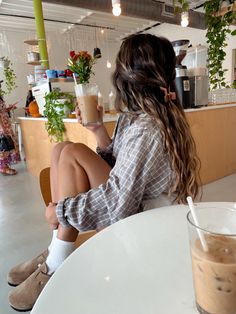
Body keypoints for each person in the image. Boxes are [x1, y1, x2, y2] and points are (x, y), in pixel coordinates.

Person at [8, 34, 200, 311]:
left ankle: (56, 259)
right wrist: (98, 129)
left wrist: (60, 210)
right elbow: (121, 166)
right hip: (133, 202)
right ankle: (56, 248)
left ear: (127, 77)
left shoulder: (148, 128)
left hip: (147, 220)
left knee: (73, 153)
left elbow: (118, 200)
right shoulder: (135, 116)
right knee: (62, 148)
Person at [0, 82, 21, 175]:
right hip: (2, 125)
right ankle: (3, 168)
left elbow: (1, 111)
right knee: (3, 146)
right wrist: (2, 128)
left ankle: (5, 166)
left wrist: (8, 108)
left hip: (5, 124)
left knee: (7, 145)